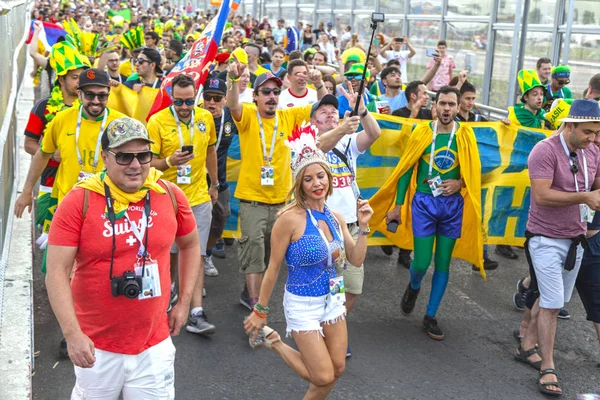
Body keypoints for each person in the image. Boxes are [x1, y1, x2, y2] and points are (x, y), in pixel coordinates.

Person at [45, 117, 200, 398]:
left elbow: (190, 245)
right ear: (104, 157)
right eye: (124, 156)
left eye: (143, 155)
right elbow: (56, 271)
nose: (135, 164)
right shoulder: (78, 201)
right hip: (96, 346)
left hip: (153, 345)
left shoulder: (170, 195)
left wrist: (183, 303)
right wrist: (72, 334)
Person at [243, 122, 373, 399]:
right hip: (303, 304)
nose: (317, 184)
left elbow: (356, 259)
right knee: (322, 376)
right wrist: (260, 310)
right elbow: (273, 268)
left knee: (336, 369)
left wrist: (363, 227)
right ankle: (275, 341)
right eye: (308, 179)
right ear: (299, 184)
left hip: (333, 300)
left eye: (321, 176)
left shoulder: (336, 217)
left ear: (329, 178)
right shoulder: (288, 220)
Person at [373, 86, 484, 340]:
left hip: (452, 206)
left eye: (451, 105)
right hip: (423, 203)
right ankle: (413, 286)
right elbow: (406, 170)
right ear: (435, 106)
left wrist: (460, 184)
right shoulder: (422, 132)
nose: (447, 109)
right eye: (442, 104)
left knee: (443, 264)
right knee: (421, 263)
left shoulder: (465, 136)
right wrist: (398, 205)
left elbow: (473, 173)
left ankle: (431, 315)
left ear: (458, 108)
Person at [225, 59, 328, 311]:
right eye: (266, 92)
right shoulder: (248, 116)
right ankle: (256, 307)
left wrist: (320, 83)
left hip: (283, 203)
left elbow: (323, 107)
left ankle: (250, 291)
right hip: (252, 201)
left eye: (275, 91)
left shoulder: (289, 116)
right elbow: (232, 103)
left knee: (273, 257)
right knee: (253, 255)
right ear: (256, 97)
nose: (271, 96)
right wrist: (234, 80)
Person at [515, 100, 600, 396]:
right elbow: (541, 196)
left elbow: (596, 184)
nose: (593, 138)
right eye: (588, 132)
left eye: (596, 133)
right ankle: (548, 366)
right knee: (552, 303)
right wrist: (586, 198)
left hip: (575, 240)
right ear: (570, 125)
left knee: (554, 299)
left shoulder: (593, 151)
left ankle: (526, 342)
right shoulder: (545, 150)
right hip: (545, 239)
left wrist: (593, 194)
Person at [147, 74, 218, 336]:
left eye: (189, 101)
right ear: (171, 98)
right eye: (179, 102)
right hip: (166, 197)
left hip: (198, 197)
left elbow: (210, 150)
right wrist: (169, 162)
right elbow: (147, 163)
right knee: (170, 253)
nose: (185, 107)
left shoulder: (205, 118)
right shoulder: (157, 122)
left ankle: (196, 312)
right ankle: (169, 292)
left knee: (196, 254)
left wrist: (214, 184)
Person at [312, 90, 381, 357]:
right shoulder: (310, 141)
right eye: (323, 112)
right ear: (314, 121)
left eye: (333, 110)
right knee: (331, 283)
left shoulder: (349, 141)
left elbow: (374, 135)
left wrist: (362, 110)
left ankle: (330, 325)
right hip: (324, 226)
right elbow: (319, 147)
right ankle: (326, 331)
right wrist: (341, 128)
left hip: (352, 225)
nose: (330, 113)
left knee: (352, 287)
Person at [23, 42, 89, 240]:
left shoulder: (90, 108)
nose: (79, 82)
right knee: (51, 243)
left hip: (82, 184)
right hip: (50, 183)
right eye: (75, 77)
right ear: (61, 79)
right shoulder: (43, 107)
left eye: (81, 78)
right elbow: (29, 144)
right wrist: (52, 154)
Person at [200, 78, 238, 266]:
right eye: (208, 97)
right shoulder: (194, 113)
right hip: (194, 181)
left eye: (217, 98)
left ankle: (207, 253)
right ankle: (193, 262)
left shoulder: (231, 117)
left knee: (221, 218)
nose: (211, 103)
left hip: (219, 180)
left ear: (224, 99)